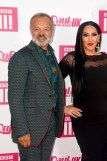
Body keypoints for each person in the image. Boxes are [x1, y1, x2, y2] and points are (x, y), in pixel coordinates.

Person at [8, 13, 65, 161]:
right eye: (37, 29)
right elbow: (15, 98)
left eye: (46, 29)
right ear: (30, 30)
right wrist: (21, 131)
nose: (41, 33)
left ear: (52, 31)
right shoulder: (21, 57)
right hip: (30, 127)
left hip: (50, 123)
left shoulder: (51, 55)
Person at [59, 21, 107, 161]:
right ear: (80, 37)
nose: (90, 39)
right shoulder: (72, 58)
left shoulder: (106, 59)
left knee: (102, 156)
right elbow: (50, 83)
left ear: (99, 37)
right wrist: (62, 107)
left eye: (94, 35)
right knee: (91, 156)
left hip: (106, 117)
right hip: (83, 118)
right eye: (86, 35)